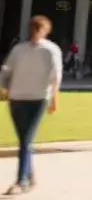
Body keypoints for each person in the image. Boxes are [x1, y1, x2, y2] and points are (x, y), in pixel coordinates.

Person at [0, 16, 62, 195]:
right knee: (24, 140)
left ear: (45, 30)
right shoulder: (19, 50)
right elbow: (6, 70)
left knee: (26, 139)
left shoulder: (50, 50)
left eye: (39, 28)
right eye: (34, 28)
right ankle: (29, 176)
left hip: (38, 98)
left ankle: (22, 180)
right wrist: (4, 88)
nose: (36, 31)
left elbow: (55, 76)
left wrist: (54, 99)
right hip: (17, 98)